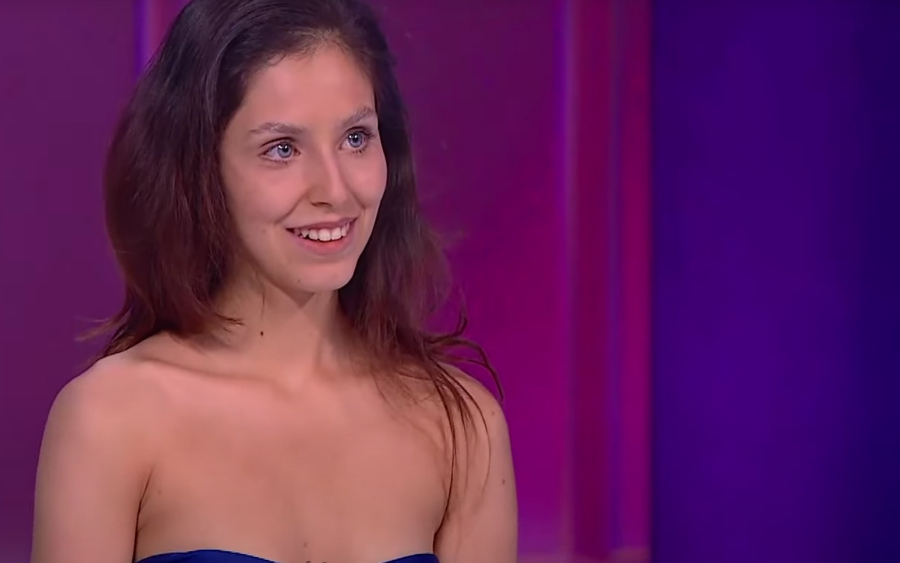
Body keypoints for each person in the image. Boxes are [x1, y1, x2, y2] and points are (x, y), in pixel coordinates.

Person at [30, 0, 517, 562]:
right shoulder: (110, 421)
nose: (335, 190)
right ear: (201, 170)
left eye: (356, 138)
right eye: (282, 149)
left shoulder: (461, 428)